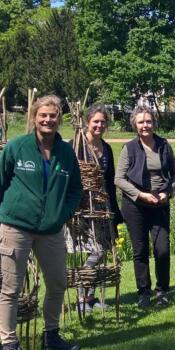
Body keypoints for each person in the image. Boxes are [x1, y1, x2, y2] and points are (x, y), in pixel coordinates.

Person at [0, 95, 82, 350]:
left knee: (58, 283)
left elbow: (75, 190)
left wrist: (63, 213)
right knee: (10, 288)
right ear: (34, 117)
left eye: (53, 115)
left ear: (59, 119)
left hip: (52, 230)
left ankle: (51, 336)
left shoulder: (66, 152)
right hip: (16, 227)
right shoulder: (17, 147)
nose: (48, 120)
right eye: (43, 115)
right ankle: (8, 342)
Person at [115, 106, 175, 308]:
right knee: (140, 250)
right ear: (135, 125)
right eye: (141, 122)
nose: (145, 125)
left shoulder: (164, 145)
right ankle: (144, 292)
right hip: (135, 206)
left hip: (160, 204)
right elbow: (119, 179)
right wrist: (140, 194)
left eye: (148, 121)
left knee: (162, 250)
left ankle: (163, 291)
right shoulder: (129, 148)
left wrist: (168, 192)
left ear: (154, 123)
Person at [69, 105, 123, 312]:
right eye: (96, 121)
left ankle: (91, 298)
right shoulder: (74, 146)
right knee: (93, 249)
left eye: (103, 122)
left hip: (102, 206)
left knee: (104, 249)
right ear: (87, 122)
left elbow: (109, 182)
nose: (99, 125)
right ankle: (82, 298)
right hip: (82, 207)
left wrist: (115, 212)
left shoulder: (106, 148)